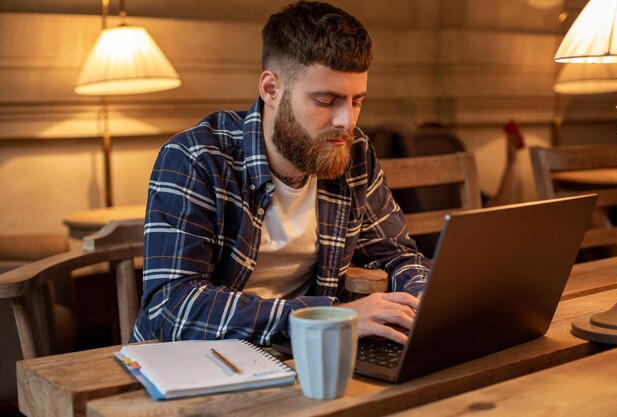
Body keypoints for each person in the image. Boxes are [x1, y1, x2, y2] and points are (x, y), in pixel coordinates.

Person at [130, 1, 430, 347]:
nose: (346, 121)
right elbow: (172, 308)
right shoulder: (196, 158)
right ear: (271, 89)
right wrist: (331, 318)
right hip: (196, 364)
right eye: (326, 100)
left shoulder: (355, 152)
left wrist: (421, 302)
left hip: (301, 353)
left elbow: (396, 256)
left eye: (356, 100)